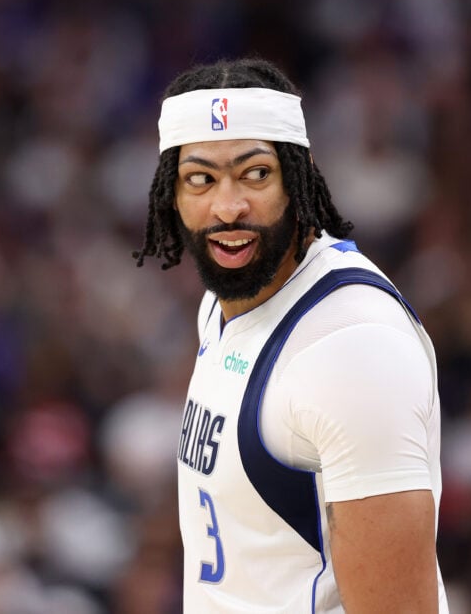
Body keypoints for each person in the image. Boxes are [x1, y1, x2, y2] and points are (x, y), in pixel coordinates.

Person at [134, 58, 449, 613]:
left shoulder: (351, 347)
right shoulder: (226, 299)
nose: (228, 207)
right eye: (200, 179)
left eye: (255, 174)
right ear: (171, 194)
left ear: (296, 177)